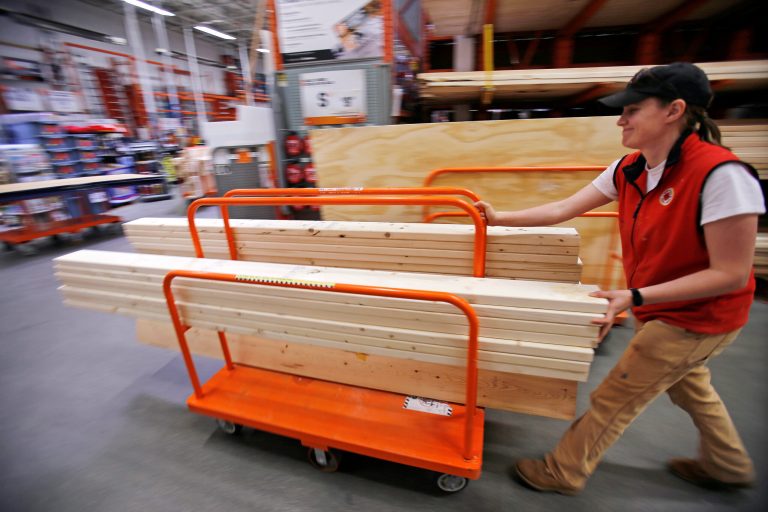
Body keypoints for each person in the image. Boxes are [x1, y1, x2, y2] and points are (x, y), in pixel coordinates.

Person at [474, 62, 764, 495]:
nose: (620, 119)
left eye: (632, 109)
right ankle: (729, 464)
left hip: (698, 316)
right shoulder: (630, 168)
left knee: (617, 394)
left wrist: (634, 295)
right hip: (658, 305)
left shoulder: (723, 177)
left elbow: (729, 274)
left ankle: (563, 470)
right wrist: (498, 219)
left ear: (674, 110)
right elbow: (561, 210)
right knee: (690, 388)